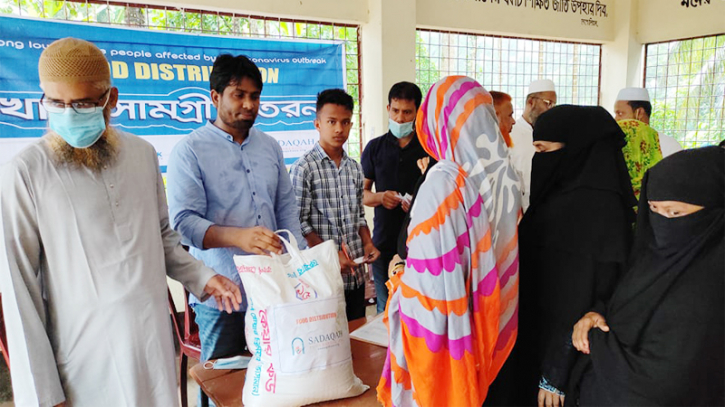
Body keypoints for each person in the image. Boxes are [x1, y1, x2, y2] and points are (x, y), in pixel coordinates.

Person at [0, 37, 242, 407]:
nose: (67, 114)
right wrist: (43, 395)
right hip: (83, 359)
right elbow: (19, 290)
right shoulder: (26, 173)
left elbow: (161, 237)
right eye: (55, 103)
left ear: (110, 99)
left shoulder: (141, 155)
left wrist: (204, 278)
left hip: (151, 343)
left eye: (81, 104)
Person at [377, 76, 521, 407]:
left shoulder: (442, 185)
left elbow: (429, 295)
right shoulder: (506, 176)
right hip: (495, 326)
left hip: (459, 336)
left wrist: (400, 279)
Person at [166, 54, 304, 368]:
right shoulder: (189, 151)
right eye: (238, 95)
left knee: (277, 375)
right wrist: (238, 237)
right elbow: (183, 223)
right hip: (223, 292)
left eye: (254, 96)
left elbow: (285, 210)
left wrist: (300, 267)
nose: (248, 104)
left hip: (273, 287)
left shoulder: (270, 147)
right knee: (222, 382)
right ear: (215, 97)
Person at [569, 146, 724, 406]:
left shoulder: (712, 288)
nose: (663, 221)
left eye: (675, 212)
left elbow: (662, 388)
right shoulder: (650, 259)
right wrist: (595, 316)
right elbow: (625, 309)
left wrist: (596, 340)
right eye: (654, 209)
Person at [515, 106, 636, 407]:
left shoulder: (593, 211)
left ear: (575, 151)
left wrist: (555, 372)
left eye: (543, 149)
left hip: (564, 362)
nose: (538, 158)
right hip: (539, 341)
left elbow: (580, 295)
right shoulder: (563, 197)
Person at [290, 89, 380, 320]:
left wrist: (368, 243)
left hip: (355, 274)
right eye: (332, 122)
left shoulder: (354, 168)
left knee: (356, 336)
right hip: (322, 278)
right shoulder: (304, 168)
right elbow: (300, 222)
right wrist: (329, 255)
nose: (339, 129)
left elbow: (359, 215)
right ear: (317, 124)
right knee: (327, 343)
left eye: (345, 122)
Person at [361, 81, 432, 313]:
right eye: (395, 111)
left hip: (420, 245)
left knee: (416, 309)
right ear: (388, 109)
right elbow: (362, 194)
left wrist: (417, 204)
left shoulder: (429, 150)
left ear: (417, 113)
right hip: (383, 243)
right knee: (385, 308)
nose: (400, 118)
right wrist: (381, 197)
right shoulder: (374, 148)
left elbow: (441, 195)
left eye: (407, 112)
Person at [509, 79, 557, 211]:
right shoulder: (511, 133)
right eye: (548, 104)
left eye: (554, 105)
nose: (551, 110)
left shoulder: (554, 136)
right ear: (531, 102)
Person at [614, 87, 682, 157]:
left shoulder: (669, 145)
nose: (616, 119)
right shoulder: (617, 144)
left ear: (639, 113)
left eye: (620, 114)